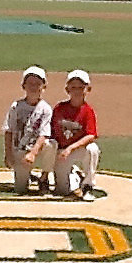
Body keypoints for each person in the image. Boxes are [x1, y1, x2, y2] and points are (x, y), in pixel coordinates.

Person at [2, 65, 57, 194]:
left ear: (44, 87)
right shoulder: (16, 106)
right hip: (20, 150)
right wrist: (8, 154)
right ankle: (29, 176)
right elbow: (8, 130)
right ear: (23, 86)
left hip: (37, 149)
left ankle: (44, 177)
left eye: (37, 84)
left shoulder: (46, 109)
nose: (33, 87)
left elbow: (44, 133)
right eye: (30, 83)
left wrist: (33, 153)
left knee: (51, 145)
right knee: (20, 189)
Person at [51, 69, 100, 201]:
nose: (77, 91)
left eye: (80, 87)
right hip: (61, 152)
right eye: (73, 87)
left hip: (77, 150)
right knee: (63, 191)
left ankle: (87, 186)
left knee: (92, 149)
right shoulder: (59, 108)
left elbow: (91, 135)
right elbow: (51, 132)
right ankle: (76, 174)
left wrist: (71, 148)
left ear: (87, 89)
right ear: (67, 90)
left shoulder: (88, 111)